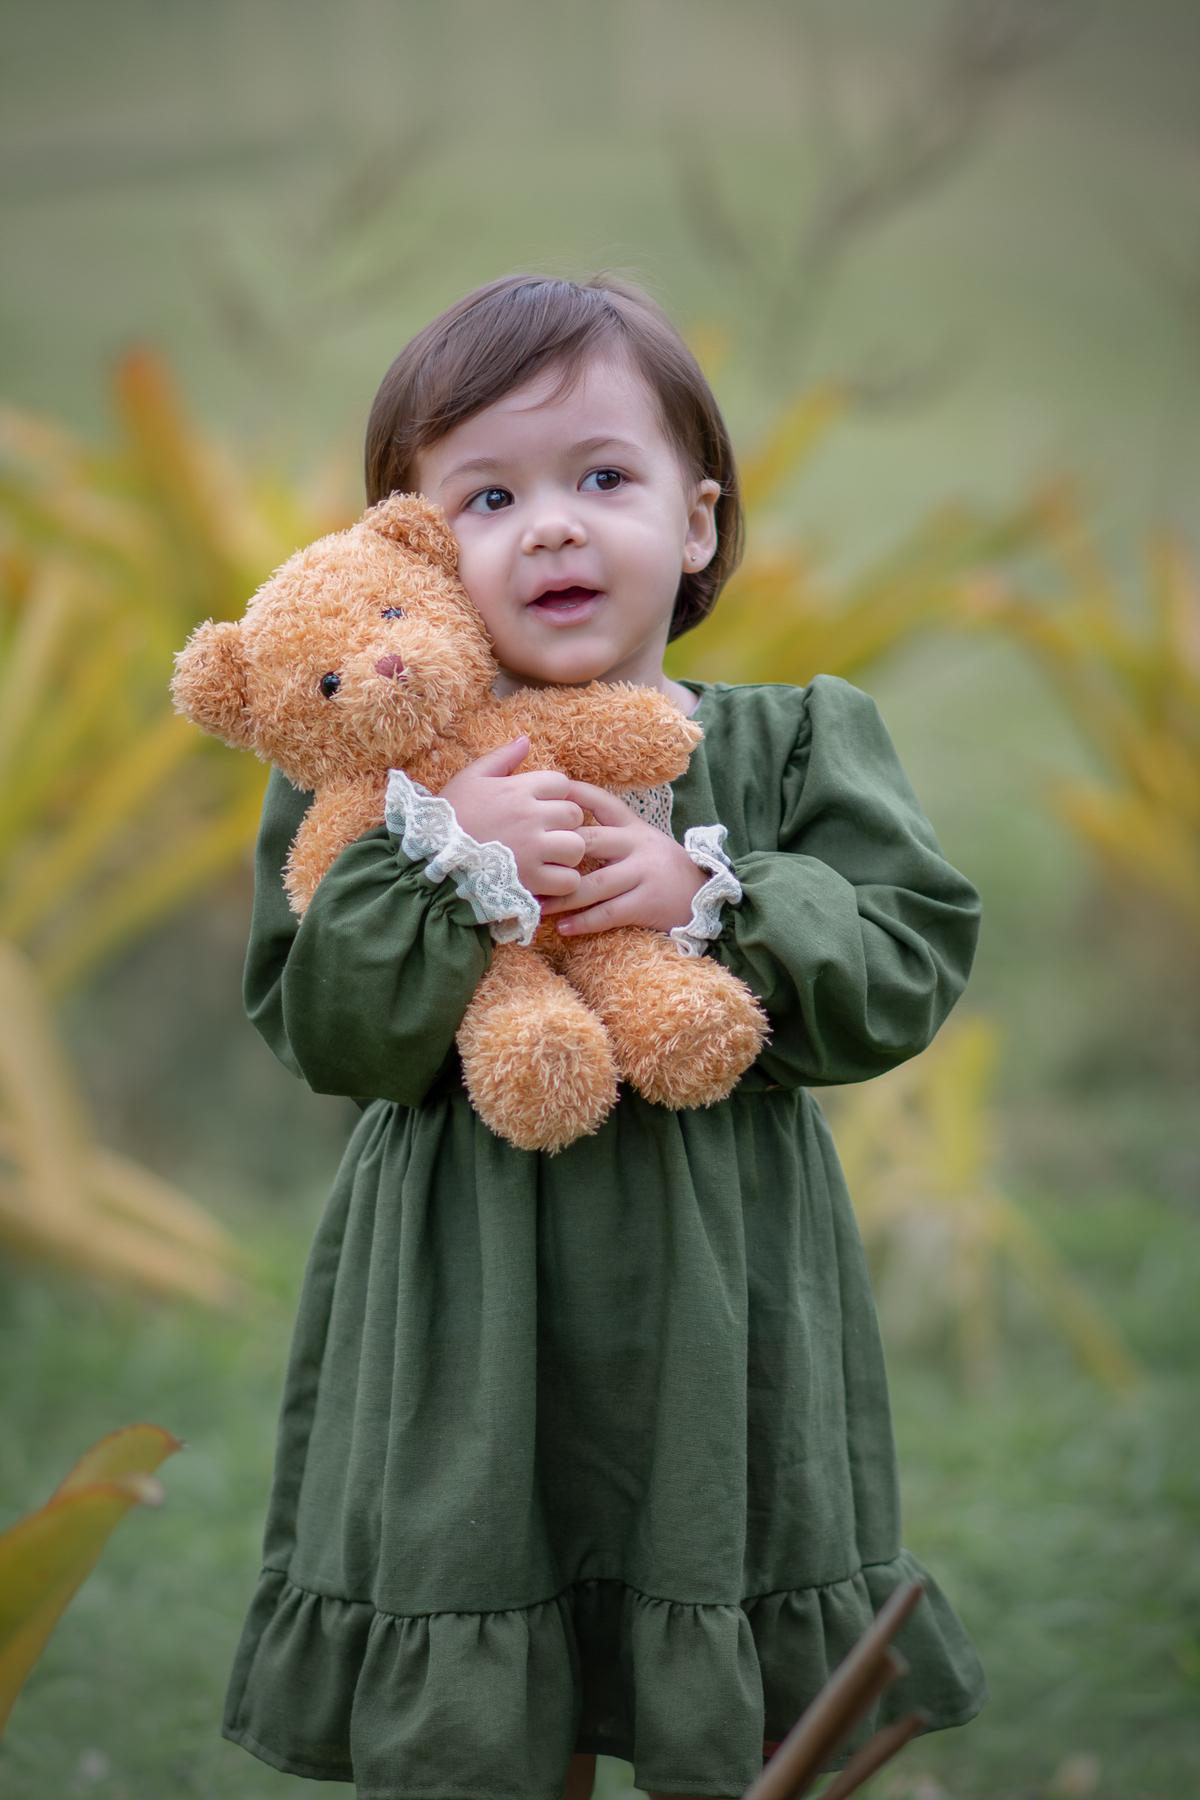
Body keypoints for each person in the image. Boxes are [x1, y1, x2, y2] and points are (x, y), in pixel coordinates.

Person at [222, 275, 987, 1800]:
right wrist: (448, 862)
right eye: (490, 494)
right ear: (416, 555)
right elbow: (325, 1030)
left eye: (602, 478)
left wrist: (713, 893)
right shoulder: (374, 784)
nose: (553, 526)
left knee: (725, 1661)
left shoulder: (787, 745)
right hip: (467, 1294)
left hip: (724, 1297)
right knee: (499, 1668)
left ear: (695, 524)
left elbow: (907, 955)